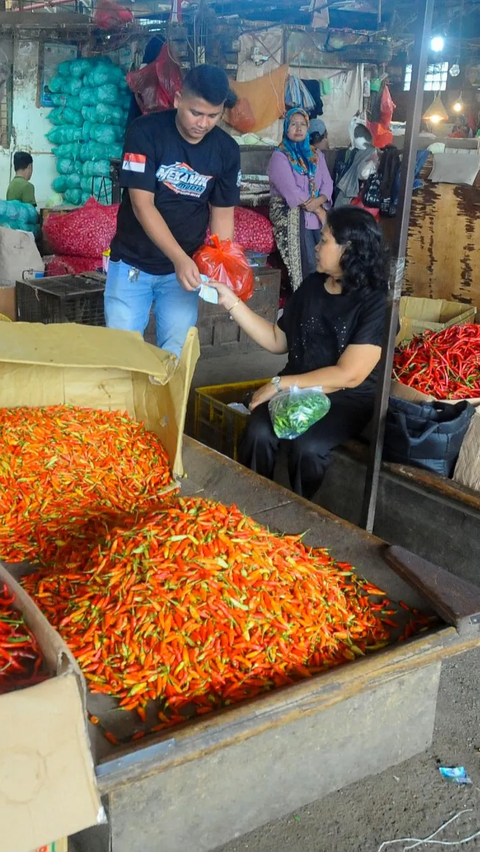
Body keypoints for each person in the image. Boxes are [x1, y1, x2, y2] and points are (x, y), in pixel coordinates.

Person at [209, 207, 389, 500]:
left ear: (349, 249)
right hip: (296, 390)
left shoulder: (373, 302)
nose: (316, 246)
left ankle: (302, 512)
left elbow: (349, 375)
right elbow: (278, 339)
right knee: (258, 434)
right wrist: (232, 303)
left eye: (324, 240)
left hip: (344, 398)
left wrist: (279, 384)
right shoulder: (311, 286)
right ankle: (251, 506)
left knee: (308, 448)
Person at [105, 65, 241, 358]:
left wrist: (221, 264)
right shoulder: (145, 132)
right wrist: (180, 258)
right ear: (178, 99)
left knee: (175, 354)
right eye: (196, 112)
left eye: (213, 116)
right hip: (132, 264)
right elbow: (142, 205)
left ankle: (167, 405)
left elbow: (222, 213)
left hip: (184, 273)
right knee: (120, 354)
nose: (203, 123)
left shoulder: (226, 150)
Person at [268, 108, 333, 292]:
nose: (298, 129)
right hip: (294, 215)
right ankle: (305, 303)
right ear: (286, 128)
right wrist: (319, 210)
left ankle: (320, 301)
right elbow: (292, 191)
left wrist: (320, 200)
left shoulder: (317, 155)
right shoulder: (280, 156)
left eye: (303, 124)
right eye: (293, 124)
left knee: (324, 263)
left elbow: (327, 184)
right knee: (307, 266)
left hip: (315, 216)